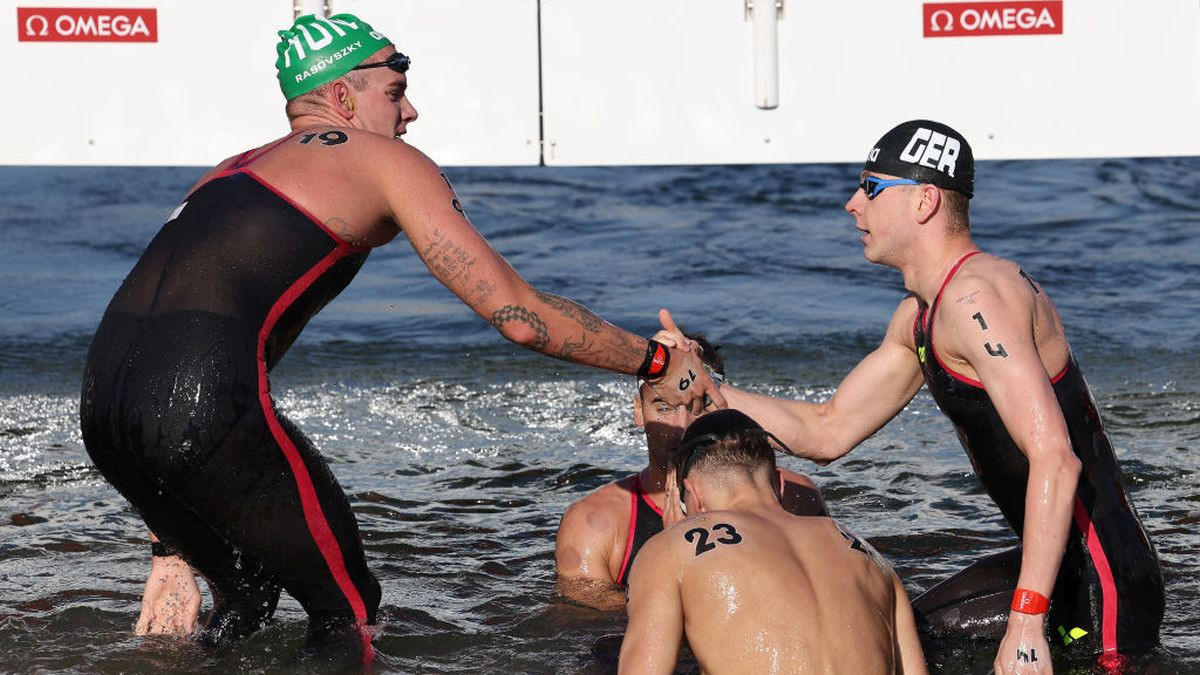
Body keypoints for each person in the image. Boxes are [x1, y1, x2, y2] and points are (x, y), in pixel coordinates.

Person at [78, 13, 721, 660]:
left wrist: (169, 546)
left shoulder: (229, 172)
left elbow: (188, 363)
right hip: (198, 397)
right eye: (395, 89)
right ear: (341, 96)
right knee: (348, 611)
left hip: (103, 404)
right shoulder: (383, 160)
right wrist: (656, 359)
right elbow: (518, 315)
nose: (411, 111)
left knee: (249, 595)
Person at [656, 120, 1164, 672]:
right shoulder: (922, 317)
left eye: (870, 188)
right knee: (897, 641)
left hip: (1106, 581)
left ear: (924, 200)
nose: (851, 205)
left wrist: (1025, 620)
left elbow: (1056, 460)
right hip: (1053, 565)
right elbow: (828, 430)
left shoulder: (978, 299)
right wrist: (707, 382)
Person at [619, 409, 927, 675]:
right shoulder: (870, 556)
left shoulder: (669, 550)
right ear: (778, 484)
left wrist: (672, 543)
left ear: (692, 495)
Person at [555, 332, 826, 611]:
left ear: (723, 404)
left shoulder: (793, 496)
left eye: (697, 407)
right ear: (639, 410)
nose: (682, 426)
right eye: (665, 407)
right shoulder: (595, 523)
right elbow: (590, 629)